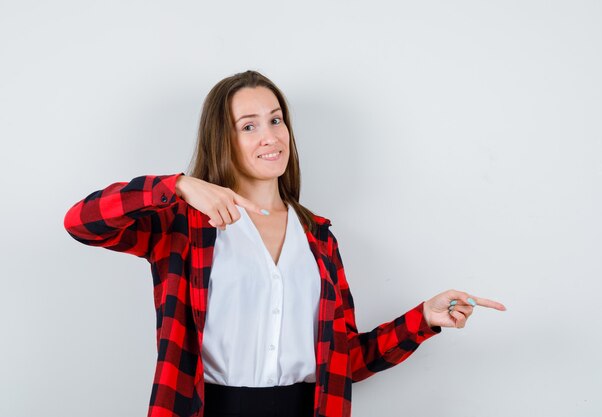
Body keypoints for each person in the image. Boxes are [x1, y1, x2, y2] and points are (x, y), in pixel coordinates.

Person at [63, 69, 506, 417]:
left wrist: (422, 320)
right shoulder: (183, 224)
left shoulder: (318, 238)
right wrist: (178, 185)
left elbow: (343, 362)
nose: (270, 137)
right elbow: (82, 222)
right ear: (224, 139)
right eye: (249, 126)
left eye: (276, 120)